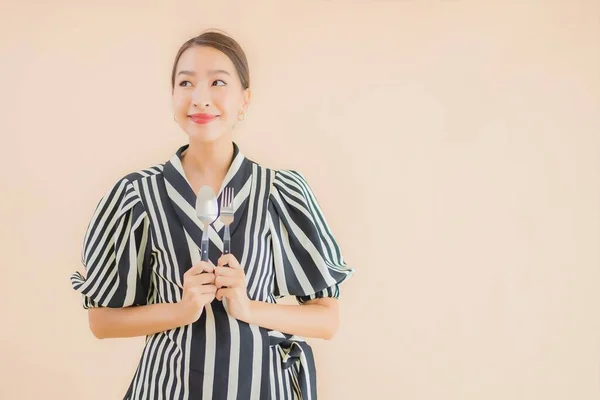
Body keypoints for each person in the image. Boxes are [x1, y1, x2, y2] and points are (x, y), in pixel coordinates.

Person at [70, 30, 354, 400]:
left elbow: (326, 319)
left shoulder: (280, 192)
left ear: (244, 99)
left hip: (262, 388)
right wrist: (182, 309)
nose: (200, 98)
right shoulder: (135, 195)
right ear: (172, 96)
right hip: (166, 389)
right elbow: (101, 321)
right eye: (185, 82)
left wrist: (248, 307)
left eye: (218, 82)